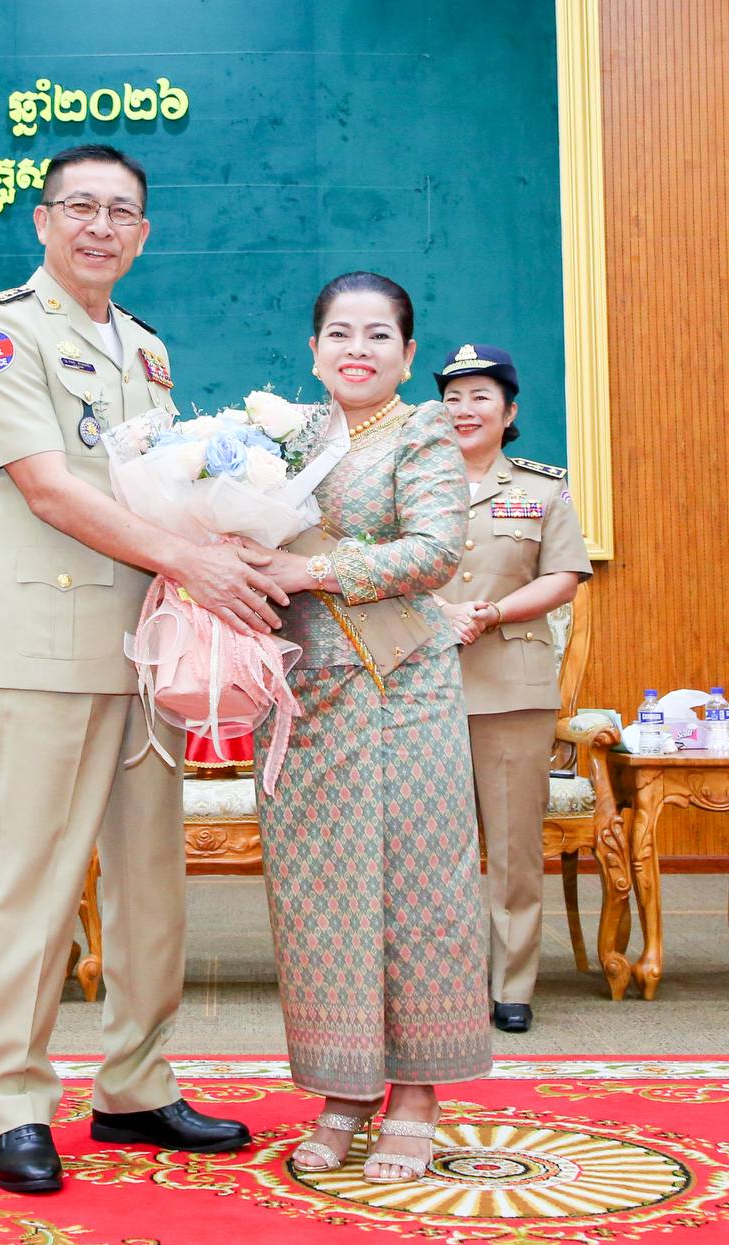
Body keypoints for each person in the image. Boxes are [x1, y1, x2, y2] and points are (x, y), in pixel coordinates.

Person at [0, 144, 288, 1195]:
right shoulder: (3, 331)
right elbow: (49, 488)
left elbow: (158, 487)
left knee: (151, 884)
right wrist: (190, 558)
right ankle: (12, 1099)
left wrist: (222, 537)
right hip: (49, 644)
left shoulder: (144, 346)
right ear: (43, 219)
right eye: (81, 207)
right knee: (34, 882)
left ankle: (136, 1084)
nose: (100, 226)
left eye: (121, 212)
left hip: (150, 649)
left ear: (143, 233)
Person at [248, 273, 492, 1184]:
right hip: (302, 698)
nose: (358, 349)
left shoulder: (421, 432)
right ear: (314, 350)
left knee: (417, 890)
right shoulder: (279, 441)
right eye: (341, 334)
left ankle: (417, 1094)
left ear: (408, 354)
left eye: (379, 335)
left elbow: (435, 552)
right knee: (320, 897)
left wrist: (312, 571)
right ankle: (343, 1090)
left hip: (403, 691)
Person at [433, 345, 592, 1033]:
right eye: (452, 398)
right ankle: (438, 979)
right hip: (421, 686)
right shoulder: (414, 486)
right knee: (427, 846)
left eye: (480, 398)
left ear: (508, 412)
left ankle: (512, 985)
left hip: (512, 689)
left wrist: (491, 613)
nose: (464, 410)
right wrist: (438, 614)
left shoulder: (543, 489)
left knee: (514, 846)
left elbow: (563, 577)